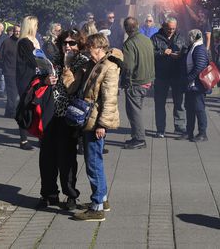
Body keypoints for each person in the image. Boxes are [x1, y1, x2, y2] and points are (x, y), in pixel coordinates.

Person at [37, 28, 91, 211]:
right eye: (64, 43)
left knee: (67, 159)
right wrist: (45, 80)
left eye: (72, 43)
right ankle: (49, 193)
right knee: (47, 157)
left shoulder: (82, 63)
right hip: (50, 114)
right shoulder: (54, 61)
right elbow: (38, 79)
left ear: (79, 45)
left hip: (69, 116)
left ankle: (70, 195)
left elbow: (72, 88)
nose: (67, 46)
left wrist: (68, 66)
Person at [73, 33, 122, 222]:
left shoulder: (108, 67)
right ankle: (102, 199)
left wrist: (102, 124)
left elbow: (109, 99)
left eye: (90, 50)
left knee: (93, 163)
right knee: (95, 161)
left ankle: (97, 208)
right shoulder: (97, 64)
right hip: (91, 118)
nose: (88, 53)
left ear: (99, 47)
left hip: (95, 122)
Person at [121, 17, 155, 149]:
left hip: (135, 82)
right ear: (138, 25)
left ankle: (140, 139)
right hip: (147, 80)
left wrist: (125, 81)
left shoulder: (129, 43)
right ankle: (136, 136)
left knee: (134, 111)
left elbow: (128, 66)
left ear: (126, 28)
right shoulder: (147, 39)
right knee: (137, 109)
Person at [151, 18, 188, 136]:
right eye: (168, 28)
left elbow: (186, 51)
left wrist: (180, 55)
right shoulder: (155, 38)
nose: (171, 31)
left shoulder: (181, 37)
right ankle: (160, 129)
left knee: (179, 102)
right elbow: (150, 53)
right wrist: (162, 52)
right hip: (161, 75)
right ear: (163, 26)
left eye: (173, 28)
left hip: (177, 74)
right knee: (160, 103)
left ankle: (180, 127)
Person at [16, 16, 43, 151]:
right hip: (26, 79)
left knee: (37, 108)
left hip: (36, 77)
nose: (37, 27)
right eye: (36, 25)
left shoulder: (35, 40)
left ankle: (39, 136)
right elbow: (33, 60)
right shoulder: (24, 42)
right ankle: (23, 139)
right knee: (26, 107)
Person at [185, 29, 210, 142]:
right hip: (192, 85)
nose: (188, 38)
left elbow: (199, 66)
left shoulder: (199, 48)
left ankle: (202, 133)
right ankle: (189, 132)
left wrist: (188, 78)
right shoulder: (194, 47)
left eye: (189, 36)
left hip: (197, 85)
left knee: (199, 109)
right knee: (190, 108)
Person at [0, 24, 21, 118]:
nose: (17, 33)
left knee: (15, 93)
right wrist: (4, 68)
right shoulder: (7, 42)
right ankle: (12, 112)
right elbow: (0, 57)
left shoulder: (23, 42)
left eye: (19, 31)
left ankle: (8, 112)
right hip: (9, 72)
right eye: (16, 31)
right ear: (13, 31)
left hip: (20, 72)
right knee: (12, 93)